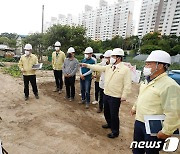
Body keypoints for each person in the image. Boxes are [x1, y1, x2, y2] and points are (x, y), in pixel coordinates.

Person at [131, 50, 180, 154]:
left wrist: (166, 131)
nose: (146, 67)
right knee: (137, 149)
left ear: (160, 65)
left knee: (150, 151)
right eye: (146, 64)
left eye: (149, 64)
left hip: (154, 126)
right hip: (139, 121)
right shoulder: (147, 80)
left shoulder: (170, 85)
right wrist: (135, 107)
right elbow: (142, 96)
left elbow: (173, 112)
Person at [81, 48, 131, 138]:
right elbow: (98, 67)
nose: (111, 58)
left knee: (114, 114)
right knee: (106, 112)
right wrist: (87, 65)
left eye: (113, 56)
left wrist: (124, 95)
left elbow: (127, 84)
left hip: (115, 96)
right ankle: (109, 123)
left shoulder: (125, 70)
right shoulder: (109, 67)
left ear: (118, 58)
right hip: (106, 93)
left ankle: (115, 131)